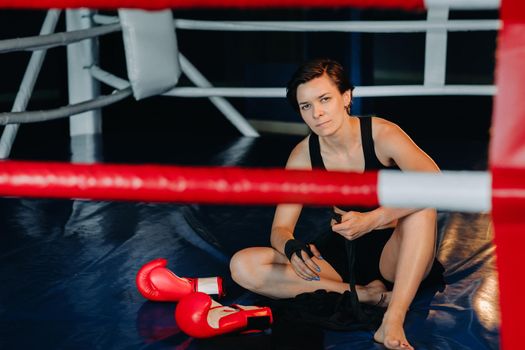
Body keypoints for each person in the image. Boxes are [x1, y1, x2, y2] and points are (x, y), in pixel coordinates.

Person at [229, 58, 444, 350]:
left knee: (422, 206)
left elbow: (437, 183)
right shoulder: (303, 155)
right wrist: (291, 249)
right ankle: (368, 295)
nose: (317, 113)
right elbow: (280, 228)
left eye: (324, 99)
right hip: (343, 251)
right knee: (243, 265)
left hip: (394, 249)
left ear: (346, 97)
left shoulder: (382, 134)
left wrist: (375, 219)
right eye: (306, 106)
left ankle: (393, 318)